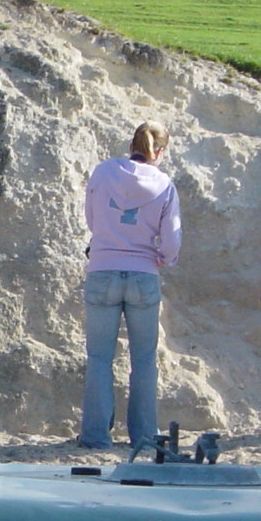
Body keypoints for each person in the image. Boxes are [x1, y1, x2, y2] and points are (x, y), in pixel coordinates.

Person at [78, 121, 182, 450]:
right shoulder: (164, 184)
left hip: (103, 269)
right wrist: (164, 258)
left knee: (99, 357)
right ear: (160, 152)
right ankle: (145, 437)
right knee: (144, 359)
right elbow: (172, 240)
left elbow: (92, 220)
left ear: (131, 145)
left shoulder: (103, 171)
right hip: (143, 275)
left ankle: (96, 436)